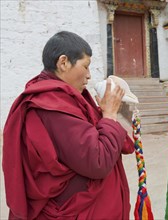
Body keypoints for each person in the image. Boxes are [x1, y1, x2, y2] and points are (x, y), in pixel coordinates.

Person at [2, 31, 135, 219]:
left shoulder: (67, 98)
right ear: (63, 62)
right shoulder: (52, 104)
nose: (89, 76)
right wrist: (110, 113)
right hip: (72, 209)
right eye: (86, 66)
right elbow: (97, 161)